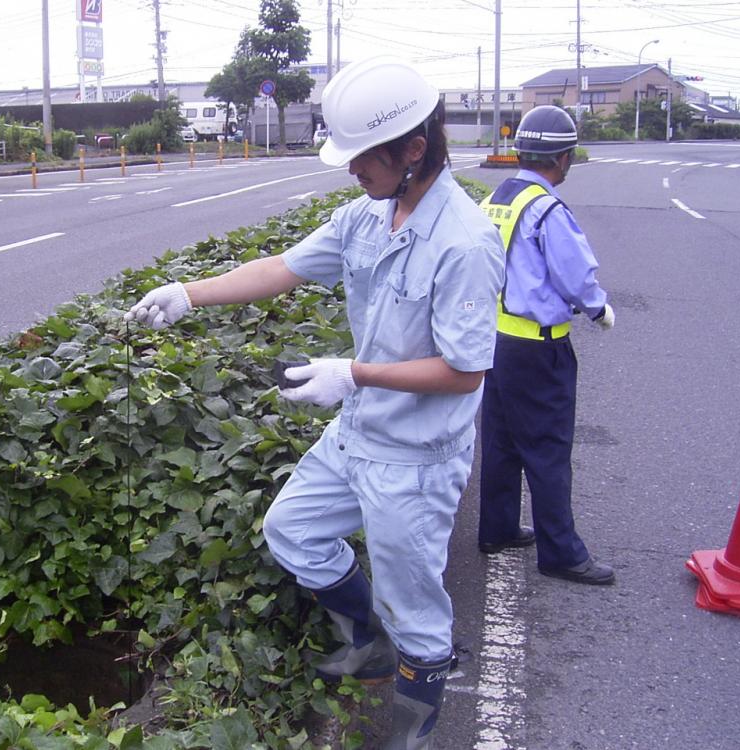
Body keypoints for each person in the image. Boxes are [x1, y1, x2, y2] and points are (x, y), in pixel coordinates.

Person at [126, 56, 504, 750]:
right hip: (358, 431)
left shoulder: (465, 242)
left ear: (414, 150)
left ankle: (411, 733)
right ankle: (368, 645)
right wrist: (189, 293)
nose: (352, 171)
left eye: (364, 158)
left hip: (415, 456)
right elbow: (282, 268)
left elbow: (464, 371)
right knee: (293, 529)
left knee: (417, 610)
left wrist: (354, 373)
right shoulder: (367, 216)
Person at [477, 104, 616, 585]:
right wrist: (599, 311)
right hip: (538, 347)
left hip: (494, 340)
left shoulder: (497, 198)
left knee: (500, 442)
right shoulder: (547, 207)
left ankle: (495, 529)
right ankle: (561, 553)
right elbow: (576, 275)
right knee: (548, 448)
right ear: (564, 158)